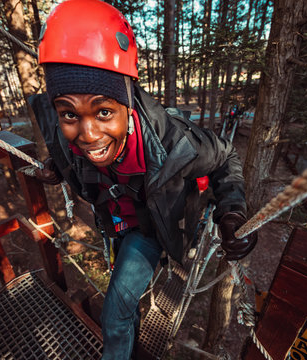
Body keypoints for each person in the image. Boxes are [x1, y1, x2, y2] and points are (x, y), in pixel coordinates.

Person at [32, 0, 257, 358]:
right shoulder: (65, 133)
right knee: (125, 298)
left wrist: (231, 212)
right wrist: (56, 166)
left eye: (104, 111)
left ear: (128, 104)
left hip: (150, 227)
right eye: (70, 113)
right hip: (113, 222)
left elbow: (226, 155)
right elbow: (69, 147)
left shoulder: (176, 143)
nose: (88, 133)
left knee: (116, 309)